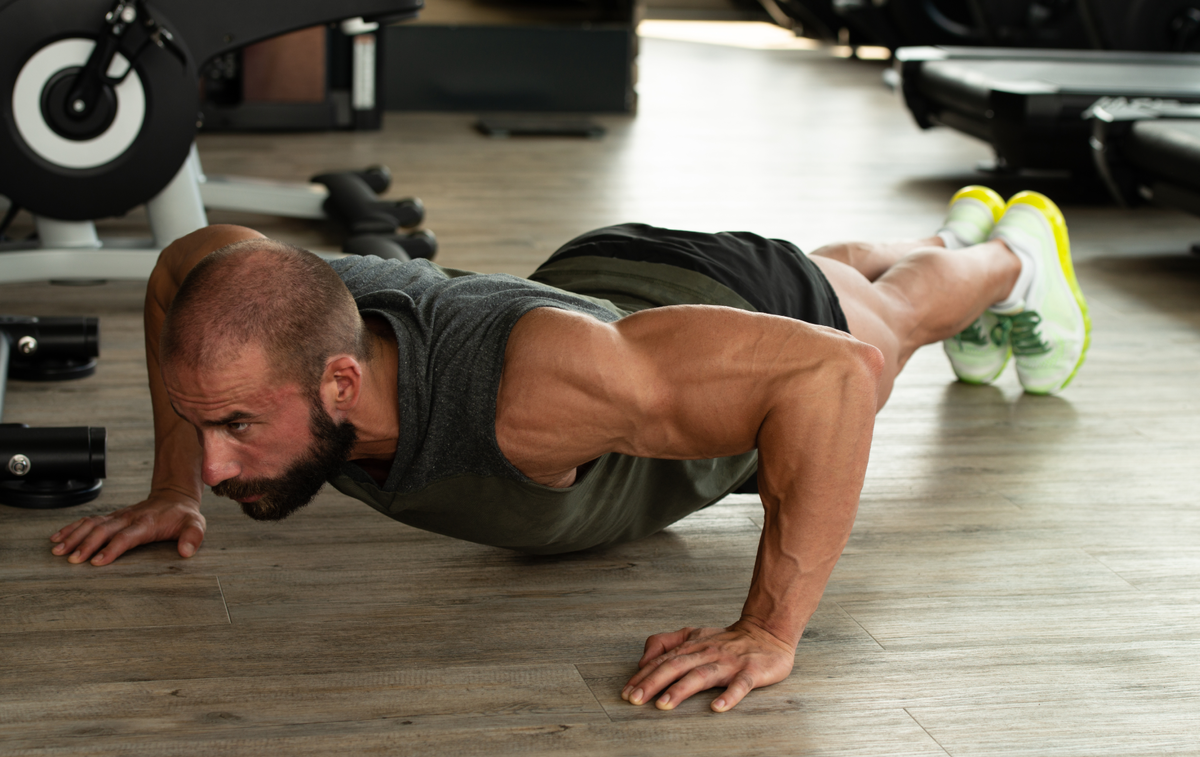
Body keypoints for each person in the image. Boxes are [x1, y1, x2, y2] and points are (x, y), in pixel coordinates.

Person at [47, 186, 1089, 713]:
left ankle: (1012, 256)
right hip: (602, 293)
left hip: (714, 308)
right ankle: (951, 235)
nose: (218, 463)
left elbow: (830, 378)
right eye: (200, 425)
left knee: (883, 324)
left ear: (342, 384)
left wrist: (770, 629)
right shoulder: (267, 314)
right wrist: (172, 490)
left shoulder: (527, 395)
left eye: (236, 428)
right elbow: (183, 266)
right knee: (837, 279)